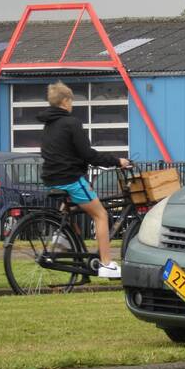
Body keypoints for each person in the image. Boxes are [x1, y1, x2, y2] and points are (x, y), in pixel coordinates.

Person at [37, 82, 130, 279]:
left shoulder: (48, 125)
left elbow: (62, 152)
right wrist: (117, 161)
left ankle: (62, 239)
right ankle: (106, 264)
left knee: (70, 209)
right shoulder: (71, 123)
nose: (72, 105)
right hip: (69, 178)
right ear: (65, 101)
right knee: (101, 215)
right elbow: (88, 154)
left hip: (51, 178)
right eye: (71, 100)